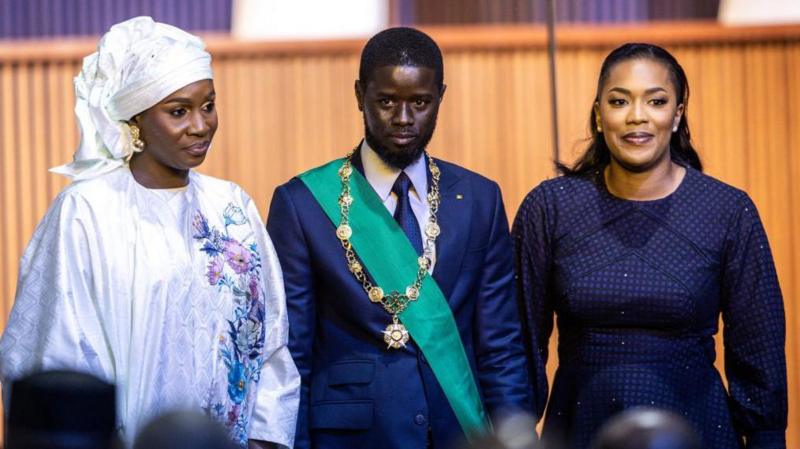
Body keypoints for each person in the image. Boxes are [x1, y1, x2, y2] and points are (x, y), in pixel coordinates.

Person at [0, 16, 299, 449]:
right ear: (135, 120)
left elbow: (271, 343)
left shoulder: (231, 206)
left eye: (208, 104)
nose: (201, 125)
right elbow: (56, 352)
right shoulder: (88, 210)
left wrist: (261, 442)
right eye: (178, 111)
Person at [513, 42, 787, 449]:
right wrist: (515, 426)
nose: (636, 116)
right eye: (619, 101)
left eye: (656, 101)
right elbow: (520, 338)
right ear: (599, 115)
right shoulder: (550, 207)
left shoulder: (728, 210)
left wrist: (766, 438)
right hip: (581, 424)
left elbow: (758, 346)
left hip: (698, 427)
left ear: (676, 115)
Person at [267, 27, 531, 449]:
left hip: (457, 432)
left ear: (440, 97)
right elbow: (291, 355)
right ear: (359, 95)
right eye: (386, 101)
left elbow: (500, 344)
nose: (404, 119)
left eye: (420, 103)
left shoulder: (480, 199)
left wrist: (517, 437)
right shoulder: (303, 205)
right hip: (350, 437)